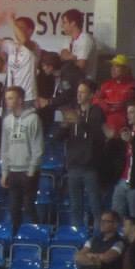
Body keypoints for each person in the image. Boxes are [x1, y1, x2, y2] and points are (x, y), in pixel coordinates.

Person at [42, 211, 124, 269]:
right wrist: (95, 260)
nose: (101, 223)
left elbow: (107, 258)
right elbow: (78, 257)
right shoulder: (93, 239)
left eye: (106, 221)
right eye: (101, 221)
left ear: (115, 224)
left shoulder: (119, 242)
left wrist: (89, 256)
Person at [59, 80, 106, 231]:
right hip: (73, 165)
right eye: (78, 92)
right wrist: (64, 126)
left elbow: (96, 134)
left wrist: (79, 121)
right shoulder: (73, 112)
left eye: (83, 92)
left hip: (90, 166)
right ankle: (77, 236)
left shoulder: (97, 112)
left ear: (91, 95)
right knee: (75, 206)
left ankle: (99, 236)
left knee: (95, 205)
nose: (79, 95)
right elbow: (58, 138)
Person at [0, 86, 44, 231]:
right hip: (13, 171)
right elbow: (4, 147)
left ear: (20, 100)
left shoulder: (33, 119)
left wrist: (31, 170)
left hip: (28, 171)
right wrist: (5, 172)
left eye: (10, 98)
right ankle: (15, 237)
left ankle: (37, 235)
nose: (7, 101)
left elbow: (38, 147)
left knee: (29, 207)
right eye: (6, 98)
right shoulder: (7, 121)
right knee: (14, 209)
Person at [0, 11, 41, 104]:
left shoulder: (34, 46)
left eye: (20, 27)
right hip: (11, 96)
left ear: (30, 31)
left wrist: (11, 21)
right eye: (15, 27)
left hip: (28, 97)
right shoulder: (10, 45)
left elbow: (24, 41)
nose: (16, 30)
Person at [94, 55, 135, 136]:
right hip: (106, 131)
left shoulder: (134, 85)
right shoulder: (106, 85)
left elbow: (122, 102)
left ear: (126, 69)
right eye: (112, 66)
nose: (112, 69)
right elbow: (95, 100)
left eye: (117, 66)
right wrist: (104, 104)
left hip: (126, 131)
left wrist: (106, 103)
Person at [59, 9, 96, 79]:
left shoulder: (85, 39)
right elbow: (62, 55)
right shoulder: (69, 38)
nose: (62, 26)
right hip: (70, 80)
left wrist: (67, 58)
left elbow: (80, 65)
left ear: (73, 23)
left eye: (64, 22)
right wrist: (71, 58)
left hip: (84, 82)